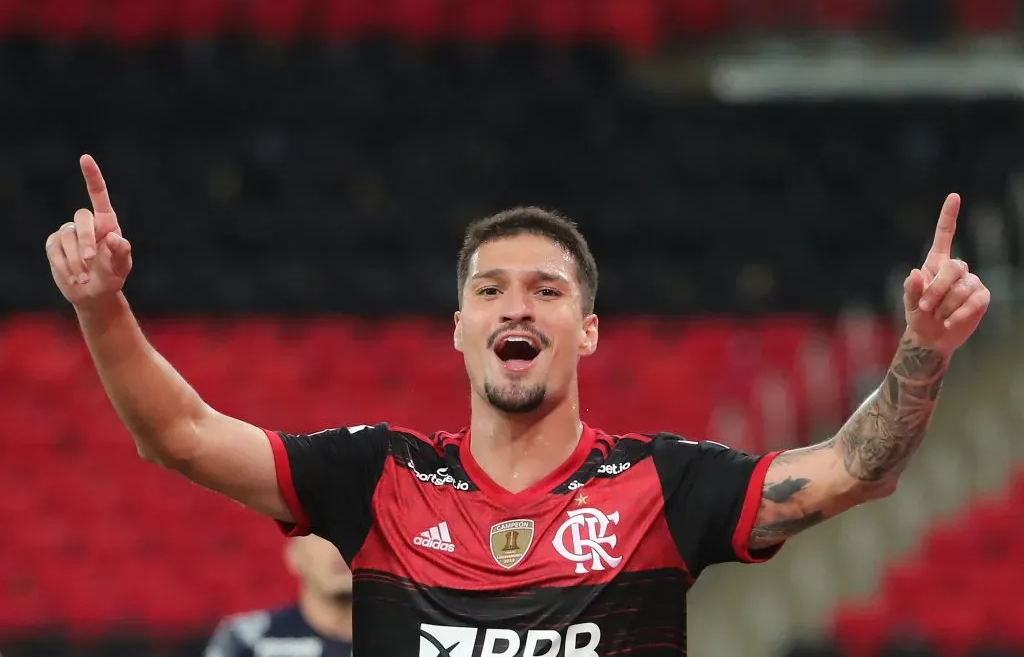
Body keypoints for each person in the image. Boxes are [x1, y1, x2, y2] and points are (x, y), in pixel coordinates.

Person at [46, 154, 990, 656]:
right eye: (491, 290)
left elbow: (857, 469)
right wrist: (102, 307)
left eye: (547, 290)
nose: (517, 307)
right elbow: (180, 436)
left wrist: (924, 346)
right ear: (459, 329)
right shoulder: (378, 478)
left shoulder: (663, 484)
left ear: (588, 329)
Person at [204, 535, 353, 657]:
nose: (338, 548)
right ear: (295, 556)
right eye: (322, 535)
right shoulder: (244, 639)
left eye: (355, 534)